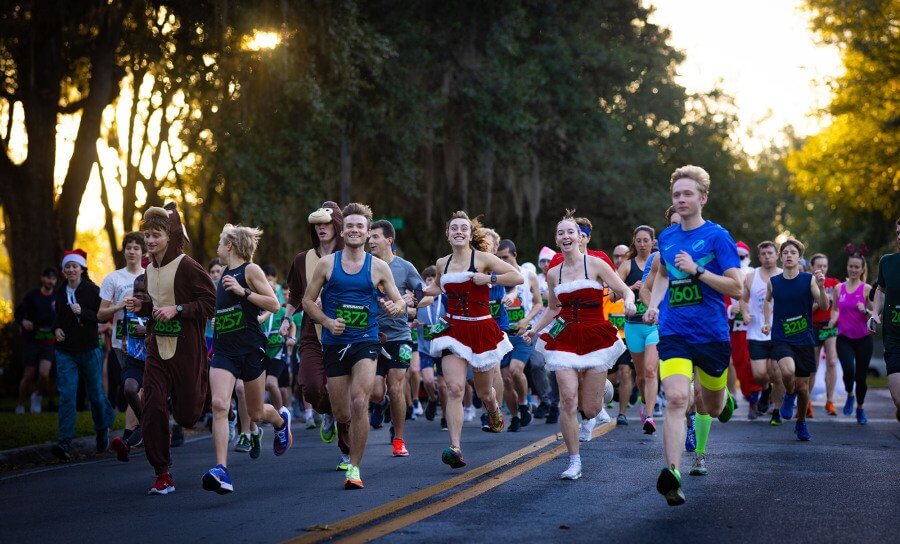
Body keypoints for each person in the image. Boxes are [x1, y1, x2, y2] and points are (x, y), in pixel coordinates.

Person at [644, 165, 742, 506]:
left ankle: (724, 398)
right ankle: (672, 474)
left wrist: (698, 270)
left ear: (703, 198)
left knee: (711, 406)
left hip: (712, 334)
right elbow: (662, 277)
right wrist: (655, 304)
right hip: (674, 331)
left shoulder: (718, 237)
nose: (681, 199)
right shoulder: (667, 238)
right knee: (674, 398)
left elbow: (737, 287)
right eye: (676, 195)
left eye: (687, 194)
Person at [303, 202, 407, 489]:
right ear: (343, 229)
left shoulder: (379, 267)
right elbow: (307, 302)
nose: (354, 230)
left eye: (360, 226)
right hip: (335, 342)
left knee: (361, 400)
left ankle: (355, 468)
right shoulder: (327, 264)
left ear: (367, 231)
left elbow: (399, 300)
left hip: (366, 340)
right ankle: (342, 433)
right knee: (342, 412)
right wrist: (326, 321)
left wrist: (396, 307)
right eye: (350, 225)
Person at [524, 211, 633, 480]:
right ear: (557, 240)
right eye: (561, 233)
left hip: (595, 335)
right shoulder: (553, 274)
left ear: (580, 237)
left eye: (570, 232)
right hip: (565, 338)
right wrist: (534, 330)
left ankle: (603, 392)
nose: (566, 237)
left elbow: (625, 289)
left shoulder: (595, 265)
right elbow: (552, 308)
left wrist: (629, 302)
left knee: (591, 408)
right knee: (568, 398)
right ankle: (574, 460)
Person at [125, 203, 216, 495]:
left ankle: (203, 390)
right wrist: (145, 305)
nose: (150, 241)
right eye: (147, 235)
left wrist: (179, 309)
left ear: (170, 236)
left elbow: (211, 304)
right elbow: (158, 304)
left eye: (156, 235)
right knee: (152, 407)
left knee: (188, 416)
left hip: (187, 351)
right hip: (156, 349)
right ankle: (162, 473)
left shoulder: (188, 266)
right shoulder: (149, 269)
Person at [422, 211, 522, 469]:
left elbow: (516, 277)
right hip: (453, 329)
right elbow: (437, 288)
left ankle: (493, 407)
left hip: (481, 329)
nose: (458, 232)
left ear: (469, 233)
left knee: (483, 392)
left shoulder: (483, 258)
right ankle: (455, 447)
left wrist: (489, 278)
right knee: (454, 388)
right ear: (447, 233)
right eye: (453, 228)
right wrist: (416, 295)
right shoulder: (442, 263)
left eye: (463, 228)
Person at [202, 225, 293, 494]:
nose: (217, 247)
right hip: (224, 351)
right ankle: (222, 470)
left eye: (220, 242)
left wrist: (243, 292)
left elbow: (274, 304)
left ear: (230, 245)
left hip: (251, 349)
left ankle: (279, 421)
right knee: (219, 404)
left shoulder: (249, 270)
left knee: (255, 413)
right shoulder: (222, 278)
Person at [281, 202, 352, 470]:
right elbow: (295, 294)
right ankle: (327, 412)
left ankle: (346, 453)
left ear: (337, 226)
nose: (321, 228)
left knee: (342, 393)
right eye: (317, 225)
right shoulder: (302, 260)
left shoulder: (350, 256)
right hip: (311, 333)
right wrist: (287, 319)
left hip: (343, 333)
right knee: (311, 387)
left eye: (326, 223)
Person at [50, 250, 117, 461]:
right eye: (67, 266)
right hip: (65, 351)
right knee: (67, 394)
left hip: (89, 349)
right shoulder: (60, 292)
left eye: (75, 266)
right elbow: (57, 317)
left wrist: (83, 313)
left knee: (96, 394)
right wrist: (56, 329)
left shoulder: (92, 290)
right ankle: (64, 442)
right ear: (63, 270)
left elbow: (103, 316)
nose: (71, 270)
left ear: (82, 269)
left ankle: (102, 428)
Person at [367, 219, 424, 456]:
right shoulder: (365, 266)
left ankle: (399, 439)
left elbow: (422, 289)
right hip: (372, 336)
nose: (370, 240)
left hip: (400, 335)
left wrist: (413, 300)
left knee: (396, 387)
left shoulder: (404, 266)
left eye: (375, 237)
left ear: (389, 240)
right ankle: (380, 404)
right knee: (376, 391)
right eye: (369, 237)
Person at [762, 239, 828, 440]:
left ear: (800, 258)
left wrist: (822, 287)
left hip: (804, 339)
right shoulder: (774, 282)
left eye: (793, 252)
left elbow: (824, 306)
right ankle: (788, 394)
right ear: (781, 257)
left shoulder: (808, 280)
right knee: (788, 371)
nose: (789, 255)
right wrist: (767, 321)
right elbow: (767, 300)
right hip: (781, 338)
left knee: (803, 388)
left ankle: (801, 422)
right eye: (785, 252)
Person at [97, 232, 146, 447]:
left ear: (143, 252)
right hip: (122, 343)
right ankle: (142, 428)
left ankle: (133, 433)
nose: (132, 251)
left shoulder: (151, 276)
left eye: (136, 247)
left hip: (148, 341)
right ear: (124, 251)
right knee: (130, 388)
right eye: (129, 247)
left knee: (140, 388)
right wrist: (120, 305)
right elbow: (101, 314)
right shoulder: (113, 278)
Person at [496, 239, 543, 432]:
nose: (502, 261)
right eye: (499, 258)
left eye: (505, 257)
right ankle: (515, 415)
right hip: (503, 333)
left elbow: (539, 303)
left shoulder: (528, 275)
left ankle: (524, 403)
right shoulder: (495, 277)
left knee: (516, 370)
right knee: (505, 377)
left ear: (514, 255)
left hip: (523, 332)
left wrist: (527, 320)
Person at [618, 226, 661, 434]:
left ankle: (650, 415)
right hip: (633, 325)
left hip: (653, 325)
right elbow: (611, 295)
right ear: (633, 242)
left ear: (653, 242)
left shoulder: (660, 262)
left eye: (646, 240)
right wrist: (629, 289)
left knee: (652, 371)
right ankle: (646, 403)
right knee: (642, 375)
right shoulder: (627, 265)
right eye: (639, 240)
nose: (642, 244)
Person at [741, 241, 784, 425]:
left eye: (770, 253)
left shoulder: (785, 276)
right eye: (764, 254)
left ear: (777, 255)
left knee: (777, 373)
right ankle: (765, 389)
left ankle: (777, 411)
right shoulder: (751, 277)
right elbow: (743, 299)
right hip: (756, 332)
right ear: (759, 257)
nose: (767, 256)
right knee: (759, 374)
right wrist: (744, 313)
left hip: (779, 333)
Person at [109, 273, 149, 462]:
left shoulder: (156, 309)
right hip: (134, 360)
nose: (139, 295)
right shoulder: (129, 308)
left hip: (155, 363)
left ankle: (132, 440)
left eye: (144, 291)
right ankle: (143, 424)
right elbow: (125, 326)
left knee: (153, 401)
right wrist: (124, 340)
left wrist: (147, 331)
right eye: (137, 291)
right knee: (129, 389)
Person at [832, 248, 874, 424]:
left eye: (857, 267)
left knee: (861, 376)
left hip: (864, 339)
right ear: (847, 267)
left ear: (862, 269)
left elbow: (875, 313)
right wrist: (832, 321)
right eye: (851, 266)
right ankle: (850, 394)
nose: (853, 270)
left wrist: (865, 310)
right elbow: (834, 309)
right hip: (844, 338)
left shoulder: (867, 289)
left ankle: (860, 408)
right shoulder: (838, 288)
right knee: (849, 371)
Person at [15, 268, 58, 414]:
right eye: (47, 278)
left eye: (53, 278)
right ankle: (20, 404)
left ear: (55, 281)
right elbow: (18, 313)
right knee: (28, 375)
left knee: (44, 374)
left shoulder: (57, 298)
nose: (50, 281)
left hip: (49, 340)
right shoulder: (32, 296)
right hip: (32, 339)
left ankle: (37, 397)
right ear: (42, 278)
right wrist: (23, 322)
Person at [870, 217, 900, 421]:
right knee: (899, 400)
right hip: (894, 339)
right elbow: (880, 290)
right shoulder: (887, 261)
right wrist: (874, 313)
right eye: (898, 233)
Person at [808, 254, 840, 415]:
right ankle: (807, 402)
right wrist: (821, 301)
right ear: (812, 266)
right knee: (812, 367)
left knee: (832, 361)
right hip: (813, 327)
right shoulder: (807, 282)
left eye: (825, 266)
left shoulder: (834, 284)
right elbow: (804, 309)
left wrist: (833, 319)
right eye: (819, 266)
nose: (822, 269)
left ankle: (830, 401)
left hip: (829, 326)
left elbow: (839, 306)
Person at [531, 246, 560, 423]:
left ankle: (555, 404)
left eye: (548, 260)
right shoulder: (536, 279)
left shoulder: (559, 276)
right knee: (536, 364)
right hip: (539, 328)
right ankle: (545, 399)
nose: (545, 264)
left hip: (557, 328)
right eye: (542, 261)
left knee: (556, 369)